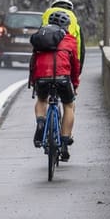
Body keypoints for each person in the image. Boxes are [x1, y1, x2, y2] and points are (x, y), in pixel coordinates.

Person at [28, 10, 81, 161]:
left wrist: (33, 81)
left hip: (42, 77)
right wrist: (75, 84)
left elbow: (33, 62)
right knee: (69, 105)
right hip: (62, 77)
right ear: (66, 26)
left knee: (42, 100)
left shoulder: (41, 38)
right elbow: (75, 65)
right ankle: (64, 144)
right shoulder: (70, 40)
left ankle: (40, 122)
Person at [42, 0, 84, 73]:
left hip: (45, 64)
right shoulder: (73, 20)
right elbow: (80, 48)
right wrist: (78, 70)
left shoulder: (46, 16)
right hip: (66, 61)